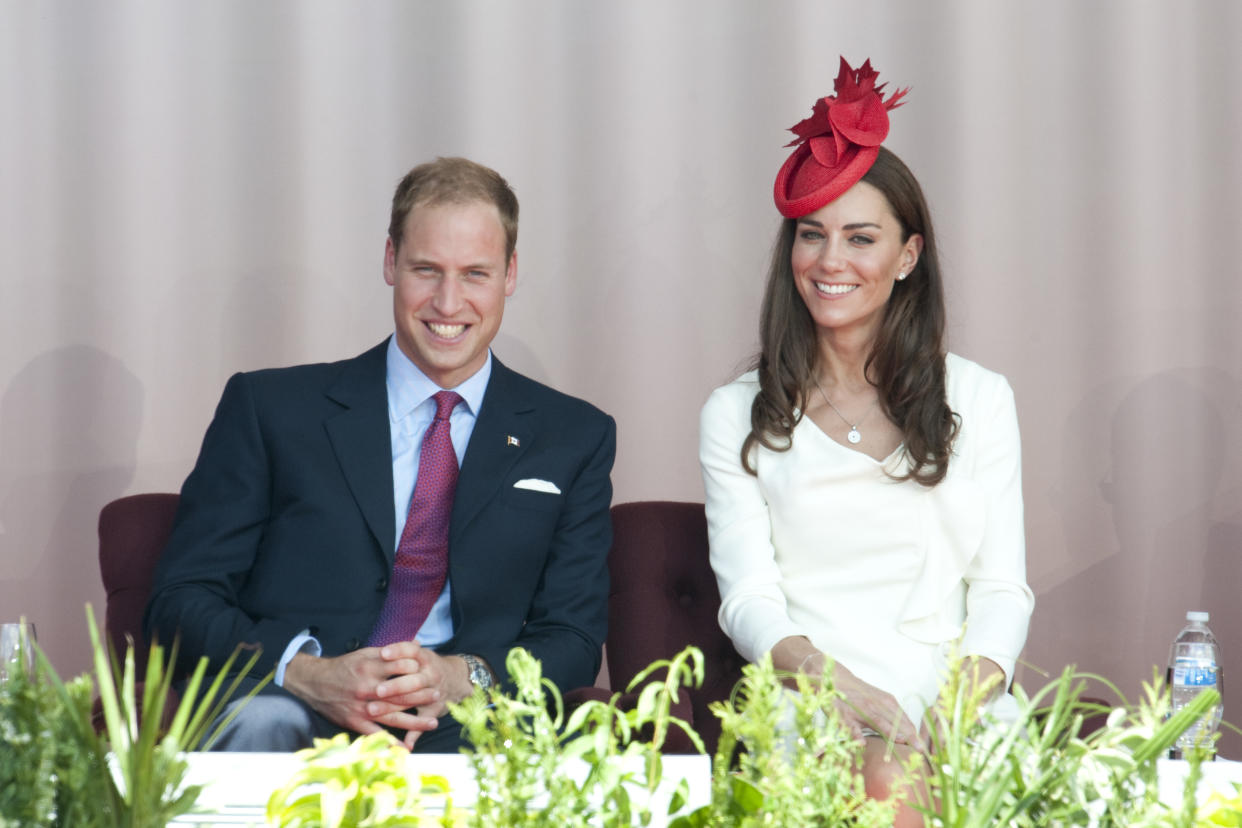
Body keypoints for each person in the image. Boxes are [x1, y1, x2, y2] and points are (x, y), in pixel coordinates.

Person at [145, 157, 615, 753]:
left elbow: (572, 637)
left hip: (473, 724)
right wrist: (309, 672)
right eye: (426, 270)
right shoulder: (271, 409)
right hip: (293, 708)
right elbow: (180, 601)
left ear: (509, 274)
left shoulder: (573, 435)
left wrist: (458, 677)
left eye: (475, 273)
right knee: (261, 722)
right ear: (391, 261)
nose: (449, 303)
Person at [698, 59, 1034, 825]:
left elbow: (1002, 590)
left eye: (860, 237)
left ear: (907, 257)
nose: (831, 261)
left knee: (940, 781)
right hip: (812, 692)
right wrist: (837, 686)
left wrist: (962, 701)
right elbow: (750, 598)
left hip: (958, 698)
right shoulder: (735, 413)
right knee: (883, 780)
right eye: (812, 236)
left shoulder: (980, 398)